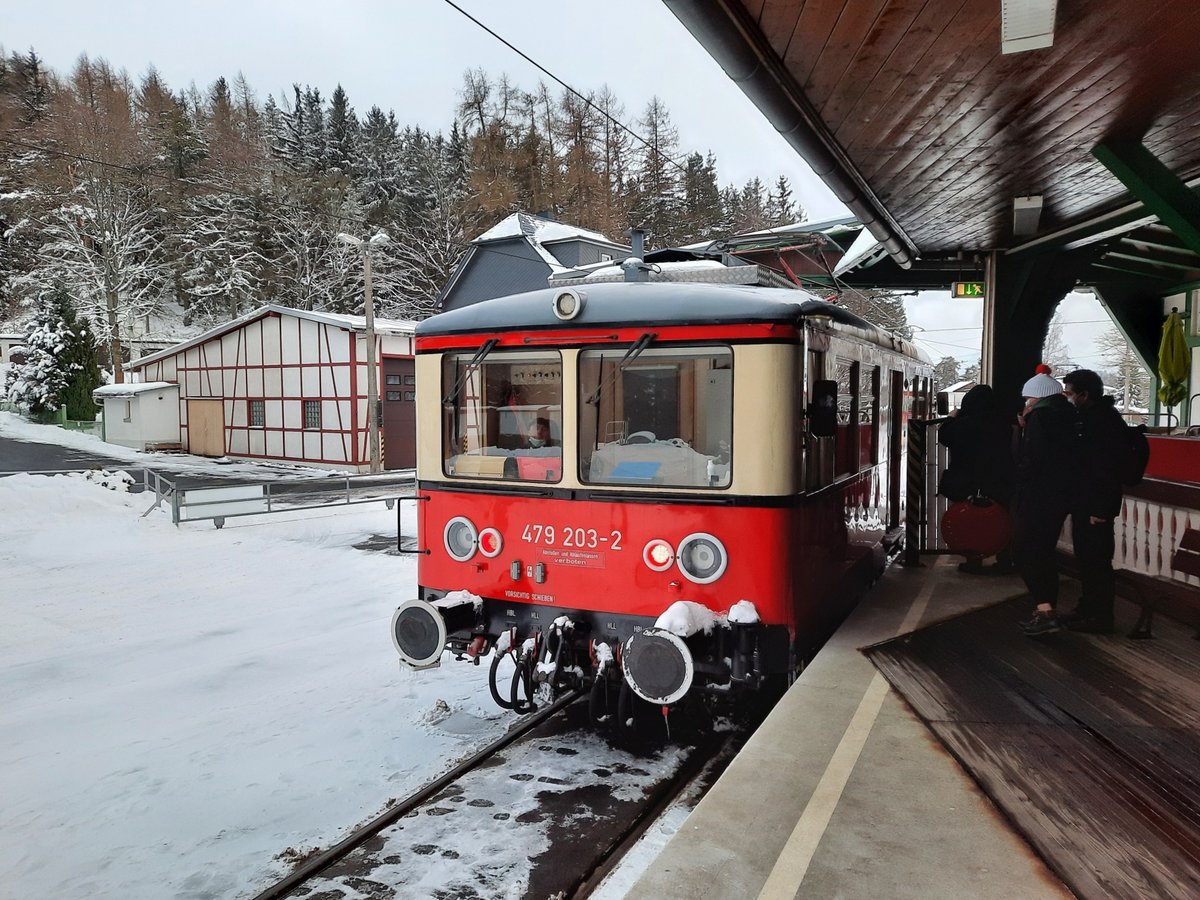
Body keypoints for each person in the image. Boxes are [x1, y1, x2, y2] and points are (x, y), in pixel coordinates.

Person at [1014, 365, 1078, 636]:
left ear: (1037, 397)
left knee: (1027, 551)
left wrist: (1022, 431)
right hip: (1061, 495)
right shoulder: (1069, 414)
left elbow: (1033, 459)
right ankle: (1046, 608)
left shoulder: (1040, 418)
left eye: (1029, 399)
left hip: (1038, 495)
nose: (1027, 404)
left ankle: (1045, 611)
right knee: (1044, 551)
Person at [1060, 369, 1126, 634]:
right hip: (1087, 502)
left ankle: (1100, 617)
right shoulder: (1096, 417)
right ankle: (1087, 609)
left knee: (1096, 562)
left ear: (1084, 395)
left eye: (1070, 393)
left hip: (1096, 505)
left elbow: (1106, 469)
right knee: (1087, 559)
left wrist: (1100, 508)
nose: (1067, 397)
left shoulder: (1101, 422)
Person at [937, 384, 1016, 574]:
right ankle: (1004, 559)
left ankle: (973, 559)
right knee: (1001, 519)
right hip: (999, 479)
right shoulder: (1004, 422)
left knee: (969, 520)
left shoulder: (964, 424)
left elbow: (945, 436)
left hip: (966, 480)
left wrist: (950, 418)